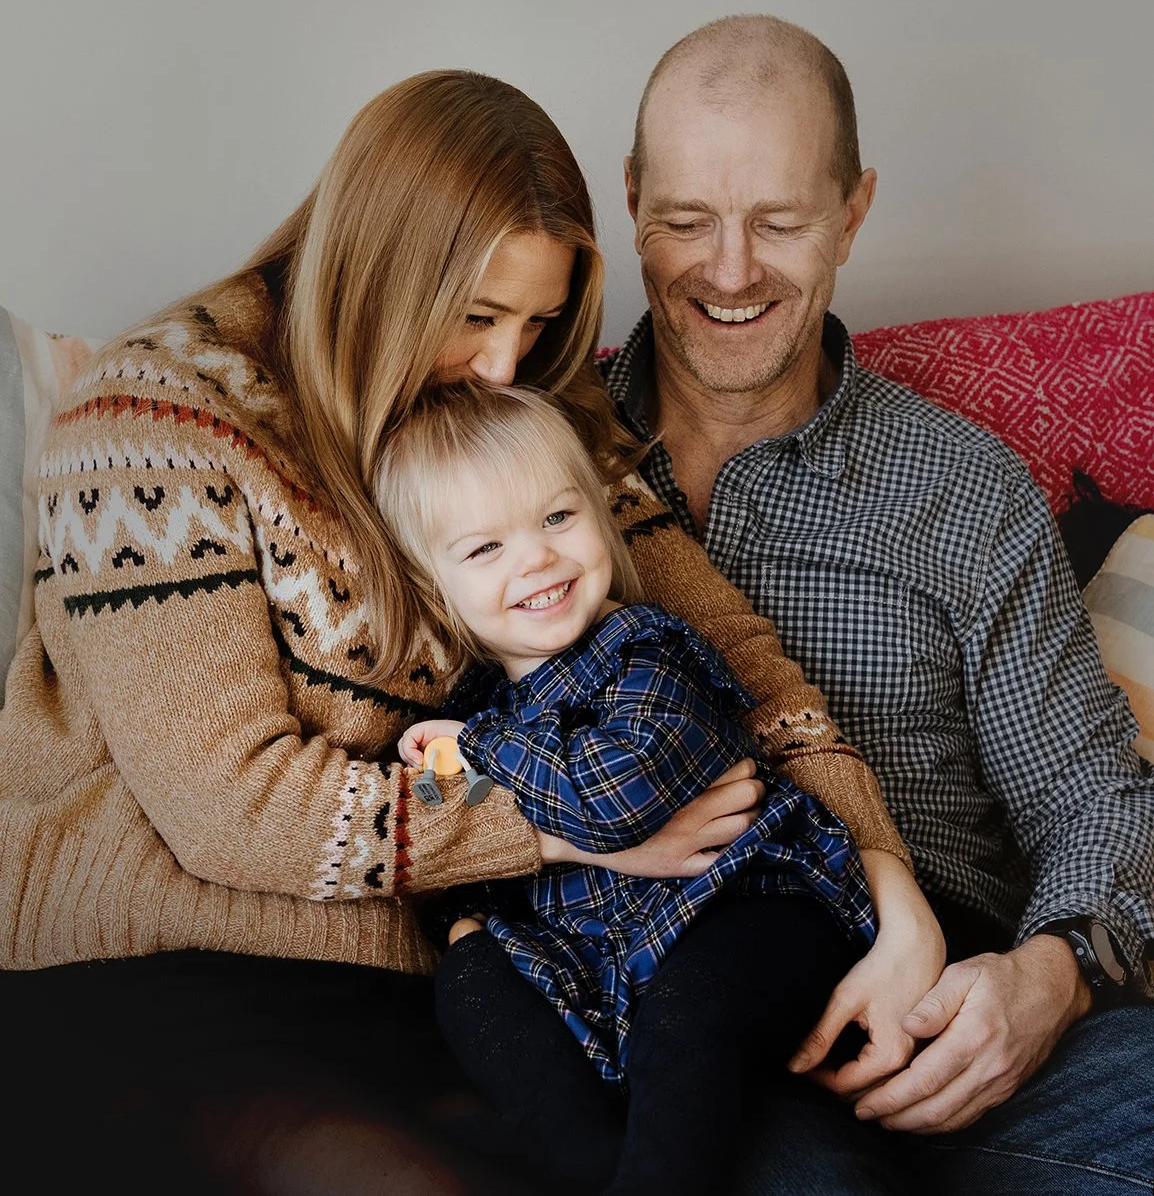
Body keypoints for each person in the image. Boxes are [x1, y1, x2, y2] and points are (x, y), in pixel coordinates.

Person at [0, 68, 933, 1196]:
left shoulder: (524, 416)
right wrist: (572, 828)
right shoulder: (152, 421)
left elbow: (745, 664)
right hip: (166, 979)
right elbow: (228, 807)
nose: (503, 364)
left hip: (446, 991)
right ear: (375, 271)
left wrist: (888, 888)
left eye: (537, 322)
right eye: (477, 316)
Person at [600, 13, 1154, 1193]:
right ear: (631, 197)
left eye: (780, 221)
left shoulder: (960, 485)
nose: (731, 269)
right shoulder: (533, 463)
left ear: (851, 212)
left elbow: (1090, 792)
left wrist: (1038, 983)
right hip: (694, 1010)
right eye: (687, 219)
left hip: (959, 1002)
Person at [374, 378, 893, 1195]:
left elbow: (614, 804)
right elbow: (468, 848)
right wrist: (466, 914)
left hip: (744, 906)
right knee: (471, 983)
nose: (538, 557)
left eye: (557, 517)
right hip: (593, 960)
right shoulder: (470, 711)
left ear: (600, 515)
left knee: (692, 1024)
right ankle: (590, 1165)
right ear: (435, 590)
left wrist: (475, 752)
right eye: (485, 548)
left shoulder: (646, 653)